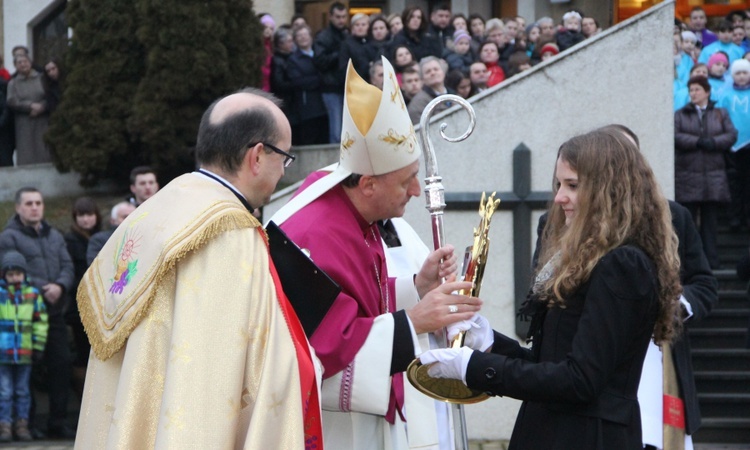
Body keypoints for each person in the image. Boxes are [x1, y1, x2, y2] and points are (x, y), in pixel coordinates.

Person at [74, 88, 322, 449]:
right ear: (256, 156)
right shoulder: (231, 234)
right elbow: (220, 375)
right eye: (285, 158)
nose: (284, 171)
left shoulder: (157, 208)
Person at [419, 128, 683, 449]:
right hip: (551, 431)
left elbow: (579, 381)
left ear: (608, 189)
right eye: (559, 184)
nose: (559, 197)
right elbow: (552, 364)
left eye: (572, 185)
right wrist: (489, 343)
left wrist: (474, 367)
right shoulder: (587, 256)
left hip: (588, 438)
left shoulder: (623, 264)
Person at [270, 57, 482, 450]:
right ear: (367, 184)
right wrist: (414, 321)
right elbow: (327, 345)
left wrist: (416, 286)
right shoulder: (315, 232)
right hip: (335, 427)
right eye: (407, 181)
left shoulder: (349, 210)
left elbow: (354, 298)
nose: (417, 191)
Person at [0, 187, 75, 439]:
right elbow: (12, 272)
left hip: (53, 313)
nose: (35, 207)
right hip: (22, 318)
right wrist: (45, 288)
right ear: (18, 207)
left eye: (39, 203)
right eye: (29, 203)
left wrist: (61, 285)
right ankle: (27, 425)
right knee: (26, 372)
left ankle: (58, 421)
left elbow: (67, 265)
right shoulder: (8, 238)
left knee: (62, 364)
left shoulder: (54, 235)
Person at [674, 76, 737, 269]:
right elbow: (675, 135)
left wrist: (714, 142)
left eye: (697, 90)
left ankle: (712, 261)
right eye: (691, 90)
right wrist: (697, 141)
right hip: (689, 176)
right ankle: (690, 263)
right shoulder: (680, 114)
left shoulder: (720, 112)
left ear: (707, 92)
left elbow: (731, 134)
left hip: (713, 177)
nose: (693, 93)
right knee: (689, 223)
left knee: (710, 224)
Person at [0, 251, 48, 442]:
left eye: (18, 274)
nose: (14, 278)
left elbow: (40, 321)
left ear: (24, 274)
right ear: (4, 275)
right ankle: (4, 425)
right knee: (4, 391)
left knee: (22, 391)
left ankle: (22, 424)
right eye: (10, 274)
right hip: (3, 353)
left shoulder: (33, 295)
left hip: (25, 352)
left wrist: (37, 346)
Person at [63, 197, 102, 396]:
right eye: (81, 215)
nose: (86, 220)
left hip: (100, 302)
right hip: (79, 304)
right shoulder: (70, 241)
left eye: (90, 215)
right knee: (82, 351)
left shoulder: (102, 237)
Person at [718, 58, 750, 231]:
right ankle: (735, 217)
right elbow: (721, 117)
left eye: (745, 72)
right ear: (733, 75)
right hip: (733, 146)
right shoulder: (726, 94)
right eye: (738, 73)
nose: (742, 76)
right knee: (734, 183)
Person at [287, 25, 329, 145]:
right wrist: (320, 79)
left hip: (324, 104)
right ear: (295, 39)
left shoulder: (320, 54)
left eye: (305, 34)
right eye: (299, 36)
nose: (303, 38)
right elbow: (297, 81)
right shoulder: (293, 59)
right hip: (307, 107)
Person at [313, 1, 348, 144]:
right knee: (336, 129)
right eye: (338, 17)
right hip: (331, 87)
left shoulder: (346, 34)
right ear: (331, 17)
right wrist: (339, 53)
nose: (341, 20)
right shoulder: (323, 37)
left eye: (344, 17)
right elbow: (320, 61)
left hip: (345, 86)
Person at [6, 54, 50, 165]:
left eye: (25, 61)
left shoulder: (42, 78)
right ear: (15, 66)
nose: (22, 64)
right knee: (27, 154)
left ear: (30, 63)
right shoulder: (13, 83)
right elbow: (11, 101)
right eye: (19, 63)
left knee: (44, 150)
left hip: (43, 120)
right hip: (24, 122)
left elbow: (50, 96)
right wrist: (30, 106)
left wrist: (42, 107)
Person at [86, 202, 136, 266]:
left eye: (134, 215)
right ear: (113, 221)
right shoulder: (99, 240)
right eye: (125, 217)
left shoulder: (143, 238)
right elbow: (95, 266)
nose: (130, 219)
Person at [407, 56, 453, 124]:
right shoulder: (418, 103)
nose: (433, 73)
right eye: (428, 72)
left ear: (443, 72)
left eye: (436, 69)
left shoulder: (453, 94)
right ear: (422, 79)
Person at [339, 13, 376, 82]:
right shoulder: (346, 44)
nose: (360, 27)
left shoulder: (373, 42)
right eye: (357, 25)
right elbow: (344, 67)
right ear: (352, 27)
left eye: (363, 24)